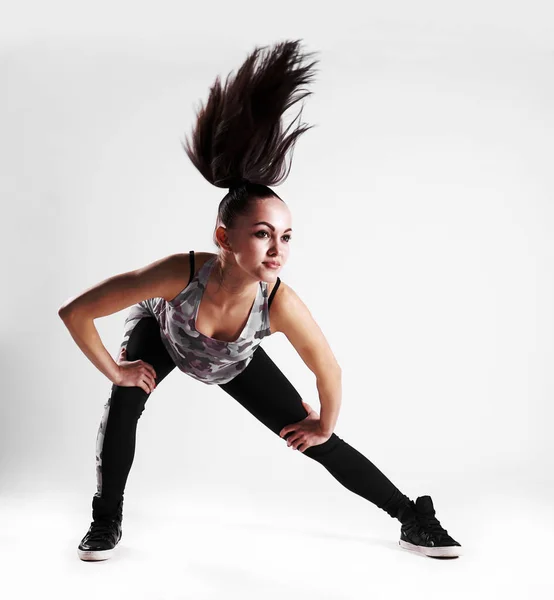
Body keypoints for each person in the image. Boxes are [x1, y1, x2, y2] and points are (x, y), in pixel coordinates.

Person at [59, 39, 462, 561]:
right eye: (263, 234)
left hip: (234, 359)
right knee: (124, 407)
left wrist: (325, 423)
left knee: (315, 440)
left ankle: (412, 518)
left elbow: (329, 370)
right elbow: (77, 312)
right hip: (166, 336)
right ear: (224, 238)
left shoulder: (280, 303)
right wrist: (117, 371)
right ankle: (105, 522)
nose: (277, 249)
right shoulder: (177, 274)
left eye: (287, 236)